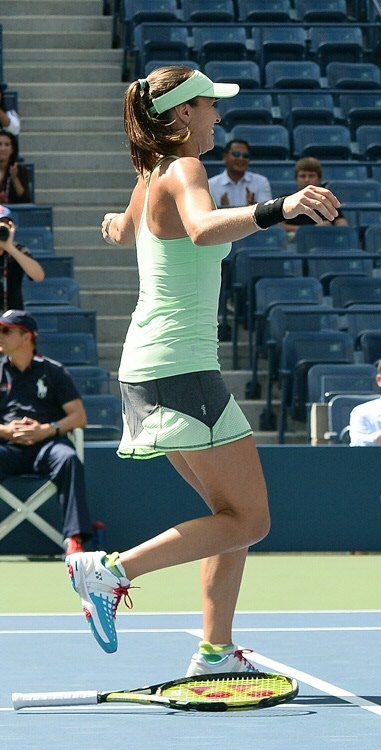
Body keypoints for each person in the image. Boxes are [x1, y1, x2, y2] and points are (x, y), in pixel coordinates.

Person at [67, 66, 341, 673]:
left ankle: (215, 652)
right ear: (183, 113)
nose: (219, 114)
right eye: (210, 105)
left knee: (231, 516)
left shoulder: (152, 172)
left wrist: (118, 225)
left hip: (156, 364)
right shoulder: (185, 170)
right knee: (251, 518)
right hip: (177, 365)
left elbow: (124, 227)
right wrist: (280, 207)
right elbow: (199, 228)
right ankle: (108, 571)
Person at [0, 310, 90, 556]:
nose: (0, 336)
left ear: (26, 336)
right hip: (8, 448)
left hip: (47, 446)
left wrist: (45, 430)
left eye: (6, 330)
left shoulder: (54, 371)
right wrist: (6, 431)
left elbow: (79, 417)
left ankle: (74, 540)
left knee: (68, 459)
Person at [279, 157, 349, 238]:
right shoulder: (287, 200)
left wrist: (331, 228)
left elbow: (342, 223)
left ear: (319, 179)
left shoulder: (327, 200)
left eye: (311, 176)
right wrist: (312, 230)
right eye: (302, 176)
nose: (306, 180)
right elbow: (278, 226)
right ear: (296, 179)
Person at [0, 206, 45, 309]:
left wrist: (10, 248)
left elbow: (39, 276)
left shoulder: (18, 249)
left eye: (5, 224)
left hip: (12, 319)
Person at [207, 138, 273, 208]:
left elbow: (267, 213)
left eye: (245, 155)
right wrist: (222, 208)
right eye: (236, 154)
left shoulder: (260, 182)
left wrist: (253, 207)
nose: (241, 158)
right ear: (225, 156)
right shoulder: (211, 185)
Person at [0, 130, 30, 204]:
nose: (2, 149)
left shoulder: (20, 170)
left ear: (12, 150)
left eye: (7, 145)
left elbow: (25, 200)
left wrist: (14, 178)